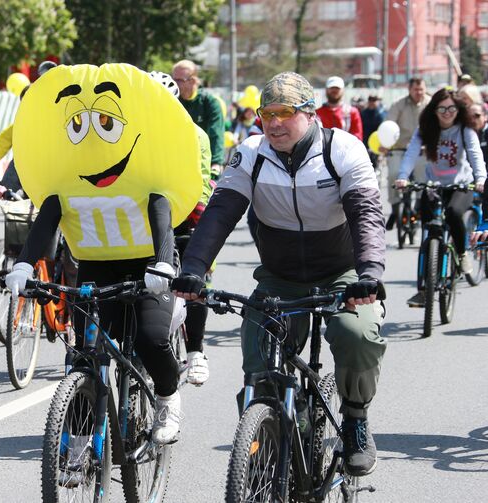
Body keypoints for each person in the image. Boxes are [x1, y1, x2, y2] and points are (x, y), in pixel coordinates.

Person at [172, 71, 388, 477]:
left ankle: (356, 420)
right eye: (266, 113)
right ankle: (267, 433)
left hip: (343, 275)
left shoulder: (342, 148)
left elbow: (366, 213)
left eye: (284, 113)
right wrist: (194, 270)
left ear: (310, 114)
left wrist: (370, 273)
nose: (273, 123)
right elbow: (219, 213)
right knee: (259, 351)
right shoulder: (251, 153)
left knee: (357, 334)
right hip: (279, 277)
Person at [7, 64, 204, 445]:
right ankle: (79, 444)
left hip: (148, 268)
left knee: (150, 340)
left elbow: (161, 216)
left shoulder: (144, 174)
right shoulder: (65, 181)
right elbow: (45, 223)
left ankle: (167, 396)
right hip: (96, 268)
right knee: (85, 355)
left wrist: (163, 263)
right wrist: (22, 266)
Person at [149, 70, 213, 385]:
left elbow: (200, 183)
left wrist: (196, 222)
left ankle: (196, 351)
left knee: (194, 279)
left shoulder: (195, 135)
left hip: (185, 216)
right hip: (142, 220)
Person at [395, 88, 486, 305]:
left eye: (451, 108)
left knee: (454, 213)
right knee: (430, 228)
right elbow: (410, 153)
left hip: (461, 185)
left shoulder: (465, 130)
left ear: (458, 109)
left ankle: (462, 255)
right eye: (442, 108)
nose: (447, 112)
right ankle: (425, 287)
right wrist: (402, 177)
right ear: (434, 110)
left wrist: (481, 178)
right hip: (433, 184)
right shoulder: (425, 129)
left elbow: (475, 154)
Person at [0, 61, 57, 196]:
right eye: (26, 105)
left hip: (53, 179)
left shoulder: (59, 123)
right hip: (23, 178)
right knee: (18, 163)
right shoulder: (16, 128)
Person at [382, 77, 430, 230]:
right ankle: (396, 210)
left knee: (424, 180)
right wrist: (385, 144)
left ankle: (419, 209)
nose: (419, 92)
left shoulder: (430, 104)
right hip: (399, 149)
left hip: (422, 151)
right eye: (416, 89)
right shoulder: (399, 105)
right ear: (409, 90)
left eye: (421, 89)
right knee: (393, 175)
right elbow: (388, 124)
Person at [172, 59, 225, 180]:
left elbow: (216, 133)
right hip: (177, 162)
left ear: (193, 81)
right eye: (173, 79)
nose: (174, 83)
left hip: (202, 162)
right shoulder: (172, 101)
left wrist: (216, 163)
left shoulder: (209, 102)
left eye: (179, 80)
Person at [316, 76, 363, 142]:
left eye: (337, 88)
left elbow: (358, 137)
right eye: (332, 88)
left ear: (343, 90)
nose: (334, 90)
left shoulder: (352, 112)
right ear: (326, 90)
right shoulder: (317, 113)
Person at [360, 95, 386, 170]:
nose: (372, 103)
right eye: (370, 100)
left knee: (376, 165)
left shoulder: (380, 114)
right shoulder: (363, 113)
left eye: (374, 101)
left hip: (377, 143)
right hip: (365, 141)